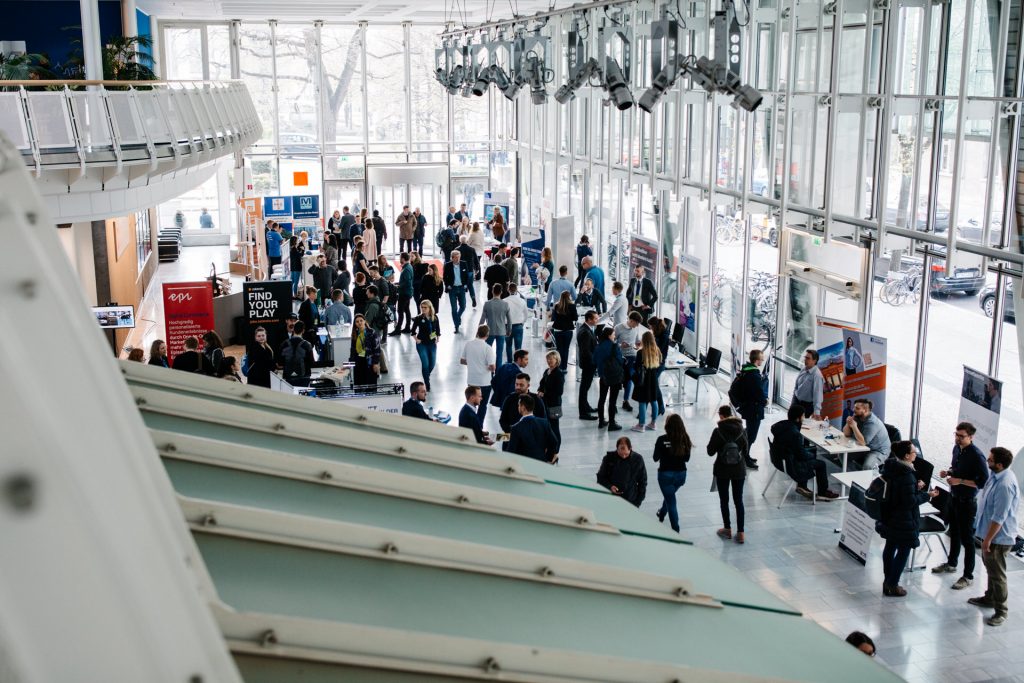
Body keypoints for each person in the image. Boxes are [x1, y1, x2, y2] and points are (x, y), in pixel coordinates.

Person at [932, 422, 989, 590]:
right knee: (953, 533)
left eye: (961, 436)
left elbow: (982, 482)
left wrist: (960, 481)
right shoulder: (957, 449)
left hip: (967, 502)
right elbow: (957, 469)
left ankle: (968, 575)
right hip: (954, 497)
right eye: (956, 435)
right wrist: (949, 473)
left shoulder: (977, 456)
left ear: (971, 437)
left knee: (967, 539)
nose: (957, 438)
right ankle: (951, 563)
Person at [877, 440, 938, 597]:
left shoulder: (890, 467)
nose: (915, 454)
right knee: (904, 550)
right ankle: (893, 583)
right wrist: (926, 495)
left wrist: (913, 489)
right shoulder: (907, 475)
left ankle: (887, 580)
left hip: (889, 515)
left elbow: (899, 492)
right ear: (906, 455)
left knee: (890, 547)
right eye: (913, 452)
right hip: (903, 520)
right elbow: (909, 502)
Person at [968, 446, 1020, 626]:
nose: (987, 461)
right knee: (991, 569)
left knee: (998, 575)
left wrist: (988, 539)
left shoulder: (1005, 485)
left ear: (999, 464)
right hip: (988, 534)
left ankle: (1001, 611)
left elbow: (999, 517)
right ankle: (989, 598)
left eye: (990, 460)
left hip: (998, 538)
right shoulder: (996, 476)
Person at [769, 404, 840, 500]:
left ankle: (802, 486)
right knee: (821, 463)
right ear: (798, 418)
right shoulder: (795, 434)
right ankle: (822, 492)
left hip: (779, 460)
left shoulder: (782, 426)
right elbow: (801, 455)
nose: (804, 418)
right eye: (803, 416)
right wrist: (811, 455)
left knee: (810, 451)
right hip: (791, 465)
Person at [707, 405, 749, 544]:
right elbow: (746, 451)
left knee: (724, 500)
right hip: (739, 470)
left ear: (721, 416)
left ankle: (727, 529)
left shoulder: (718, 431)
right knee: (739, 501)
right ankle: (741, 532)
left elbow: (710, 451)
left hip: (722, 469)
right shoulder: (742, 430)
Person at [729, 349, 768, 469]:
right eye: (761, 359)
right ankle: (745, 457)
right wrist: (765, 401)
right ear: (757, 360)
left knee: (749, 432)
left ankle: (746, 454)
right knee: (751, 435)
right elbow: (758, 393)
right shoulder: (754, 375)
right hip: (754, 409)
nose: (762, 361)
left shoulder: (745, 371)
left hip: (747, 407)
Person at [653, 413, 692, 532]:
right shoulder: (685, 439)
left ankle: (676, 529)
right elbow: (687, 459)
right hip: (681, 476)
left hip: (665, 475)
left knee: (671, 501)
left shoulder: (661, 439)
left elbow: (655, 458)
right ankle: (662, 512)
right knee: (670, 496)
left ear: (667, 426)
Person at [503, 394, 558, 463]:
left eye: (518, 405)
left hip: (525, 465)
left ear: (523, 407)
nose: (518, 407)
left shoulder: (516, 428)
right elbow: (554, 441)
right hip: (542, 463)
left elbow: (511, 452)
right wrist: (548, 458)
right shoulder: (544, 423)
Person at [597, 436, 647, 507]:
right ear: (617, 449)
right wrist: (610, 486)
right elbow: (600, 478)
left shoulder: (638, 459)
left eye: (626, 454)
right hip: (611, 501)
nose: (623, 456)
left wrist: (638, 502)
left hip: (631, 500)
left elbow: (643, 481)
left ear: (630, 448)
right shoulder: (608, 459)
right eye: (620, 454)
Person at [842, 398, 891, 470]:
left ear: (865, 410)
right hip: (865, 447)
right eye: (854, 407)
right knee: (843, 456)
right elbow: (847, 434)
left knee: (867, 466)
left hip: (878, 450)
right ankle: (854, 477)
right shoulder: (857, 416)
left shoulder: (873, 423)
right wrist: (848, 423)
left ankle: (862, 479)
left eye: (857, 408)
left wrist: (854, 427)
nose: (853, 410)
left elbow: (863, 442)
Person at [461, 325, 497, 419]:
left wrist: (472, 363)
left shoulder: (468, 344)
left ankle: (471, 425)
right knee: (482, 405)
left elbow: (462, 360)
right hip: (484, 382)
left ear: (477, 333)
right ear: (487, 335)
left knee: (471, 405)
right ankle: (479, 427)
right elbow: (493, 367)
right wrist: (485, 366)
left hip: (472, 380)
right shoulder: (487, 348)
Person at [593, 327, 624, 431]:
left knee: (601, 399)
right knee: (612, 401)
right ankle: (612, 423)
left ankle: (601, 421)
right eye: (613, 334)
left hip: (603, 376)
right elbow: (620, 360)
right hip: (614, 377)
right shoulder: (614, 346)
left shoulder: (598, 346)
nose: (614, 336)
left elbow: (594, 360)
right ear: (609, 335)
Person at [631, 331, 662, 432]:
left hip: (644, 381)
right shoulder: (657, 350)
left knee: (642, 401)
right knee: (654, 400)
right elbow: (660, 364)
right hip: (653, 379)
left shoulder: (641, 352)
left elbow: (636, 367)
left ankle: (641, 425)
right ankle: (653, 423)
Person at [615, 311, 643, 412]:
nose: (637, 326)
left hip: (632, 356)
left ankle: (625, 401)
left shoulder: (636, 328)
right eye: (636, 323)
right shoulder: (618, 328)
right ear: (631, 320)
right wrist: (620, 346)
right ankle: (613, 403)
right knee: (617, 380)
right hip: (620, 357)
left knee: (629, 379)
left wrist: (638, 343)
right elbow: (612, 342)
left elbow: (636, 341)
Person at [411, 300, 442, 391]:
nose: (423, 309)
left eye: (425, 307)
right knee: (425, 364)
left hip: (432, 344)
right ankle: (427, 383)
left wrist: (437, 338)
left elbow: (438, 330)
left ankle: (426, 376)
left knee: (432, 364)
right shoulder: (419, 318)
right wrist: (416, 339)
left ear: (429, 308)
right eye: (422, 307)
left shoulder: (434, 317)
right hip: (422, 344)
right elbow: (413, 331)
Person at [537, 351, 565, 446]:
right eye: (547, 359)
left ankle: (556, 447)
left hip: (555, 405)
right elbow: (542, 383)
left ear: (556, 360)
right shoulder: (547, 371)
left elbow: (559, 392)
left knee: (555, 426)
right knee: (548, 425)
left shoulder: (559, 374)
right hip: (546, 403)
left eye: (551, 359)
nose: (549, 361)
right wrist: (540, 390)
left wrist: (544, 394)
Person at [480, 284, 513, 363]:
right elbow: (509, 320)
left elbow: (482, 319)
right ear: (501, 292)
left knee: (488, 353)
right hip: (501, 332)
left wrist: (479, 332)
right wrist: (509, 330)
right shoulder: (505, 304)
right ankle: (498, 373)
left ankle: (489, 372)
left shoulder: (487, 304)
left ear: (492, 291)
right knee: (499, 354)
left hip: (489, 332)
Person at [576, 310, 599, 419]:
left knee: (585, 387)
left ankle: (586, 407)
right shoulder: (585, 332)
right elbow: (586, 351)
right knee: (584, 388)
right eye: (595, 318)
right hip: (588, 364)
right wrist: (594, 362)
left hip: (588, 363)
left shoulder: (587, 329)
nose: (597, 320)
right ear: (589, 319)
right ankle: (583, 413)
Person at [491, 348, 529, 414]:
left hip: (503, 403)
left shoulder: (504, 366)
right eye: (526, 359)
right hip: (512, 405)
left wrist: (501, 395)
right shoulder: (518, 373)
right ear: (519, 359)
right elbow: (514, 390)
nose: (527, 362)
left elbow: (493, 381)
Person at [349, 313, 381, 387]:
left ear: (365, 321)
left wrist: (375, 363)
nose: (359, 323)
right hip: (358, 361)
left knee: (370, 384)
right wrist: (350, 363)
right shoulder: (355, 334)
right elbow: (353, 350)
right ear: (355, 324)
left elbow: (377, 349)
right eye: (357, 322)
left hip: (369, 362)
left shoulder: (372, 332)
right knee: (359, 383)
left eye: (361, 320)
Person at [443, 250, 472, 333]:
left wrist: (466, 284)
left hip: (462, 288)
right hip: (452, 288)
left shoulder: (463, 263)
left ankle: (458, 317)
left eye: (459, 257)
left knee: (463, 306)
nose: (458, 259)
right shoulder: (448, 265)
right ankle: (456, 326)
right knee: (454, 308)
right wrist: (448, 285)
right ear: (452, 258)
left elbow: (466, 275)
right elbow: (445, 277)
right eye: (456, 257)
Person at [550, 291, 578, 373]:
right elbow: (575, 318)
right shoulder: (572, 306)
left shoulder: (556, 305)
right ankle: (564, 368)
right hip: (568, 330)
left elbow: (553, 318)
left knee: (559, 349)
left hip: (558, 330)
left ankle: (558, 367)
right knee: (566, 349)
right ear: (569, 297)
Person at [792, 348, 824, 418]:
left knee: (801, 427)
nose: (805, 360)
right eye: (805, 357)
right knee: (791, 423)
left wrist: (817, 412)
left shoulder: (817, 375)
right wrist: (793, 402)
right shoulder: (804, 369)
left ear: (814, 361)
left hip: (806, 406)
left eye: (808, 358)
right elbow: (796, 386)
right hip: (796, 401)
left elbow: (817, 395)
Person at [504, 283, 528, 364]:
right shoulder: (522, 301)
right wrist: (522, 323)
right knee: (518, 348)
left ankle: (509, 362)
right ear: (517, 290)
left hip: (507, 326)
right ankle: (518, 363)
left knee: (508, 346)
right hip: (518, 326)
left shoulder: (504, 301)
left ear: (508, 290)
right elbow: (526, 315)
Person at [393, 252, 414, 334]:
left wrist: (398, 286)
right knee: (406, 310)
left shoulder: (406, 269)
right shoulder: (408, 266)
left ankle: (398, 329)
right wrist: (399, 283)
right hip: (408, 292)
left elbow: (408, 282)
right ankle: (407, 327)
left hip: (404, 293)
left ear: (403, 259)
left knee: (400, 311)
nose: (399, 259)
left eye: (400, 258)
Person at [456, 237, 479, 304]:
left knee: (461, 286)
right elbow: (476, 260)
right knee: (470, 285)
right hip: (469, 270)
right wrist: (477, 269)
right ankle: (473, 298)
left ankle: (461, 301)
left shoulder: (457, 249)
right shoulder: (472, 249)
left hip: (460, 271)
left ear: (460, 241)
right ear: (467, 241)